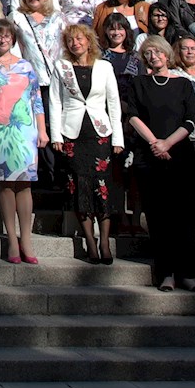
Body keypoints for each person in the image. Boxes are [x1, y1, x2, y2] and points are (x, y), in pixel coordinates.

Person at [123, 35, 195, 291]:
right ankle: (165, 273)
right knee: (158, 217)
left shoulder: (184, 85)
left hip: (180, 156)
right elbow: (132, 115)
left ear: (167, 55)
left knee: (184, 216)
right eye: (148, 54)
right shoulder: (138, 83)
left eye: (157, 53)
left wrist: (168, 144)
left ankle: (188, 273)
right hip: (149, 156)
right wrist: (156, 142)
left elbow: (190, 121)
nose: (153, 57)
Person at [0, 17, 45, 265]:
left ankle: (26, 238)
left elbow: (36, 100)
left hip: (25, 130)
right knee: (5, 184)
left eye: (7, 36)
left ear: (13, 39)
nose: (2, 39)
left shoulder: (25, 66)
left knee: (24, 184)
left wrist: (42, 131)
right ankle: (11, 239)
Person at [51, 23, 123, 264]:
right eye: (71, 40)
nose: (76, 43)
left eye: (80, 39)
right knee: (78, 186)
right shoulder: (61, 67)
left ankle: (104, 241)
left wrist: (118, 138)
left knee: (101, 185)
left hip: (100, 133)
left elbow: (113, 103)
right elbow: (54, 102)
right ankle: (89, 241)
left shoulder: (104, 67)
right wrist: (56, 136)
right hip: (72, 133)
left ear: (89, 41)